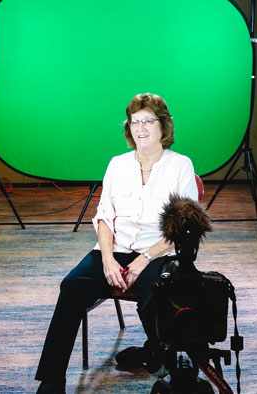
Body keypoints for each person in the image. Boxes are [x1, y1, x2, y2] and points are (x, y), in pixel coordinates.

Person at [35, 93, 198, 393]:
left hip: (158, 253)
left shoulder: (180, 166)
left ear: (163, 125)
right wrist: (108, 258)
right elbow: (104, 218)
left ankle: (165, 358)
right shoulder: (117, 165)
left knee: (159, 292)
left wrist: (145, 258)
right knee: (71, 287)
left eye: (148, 120)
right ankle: (51, 380)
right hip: (114, 251)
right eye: (135, 122)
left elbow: (183, 226)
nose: (141, 128)